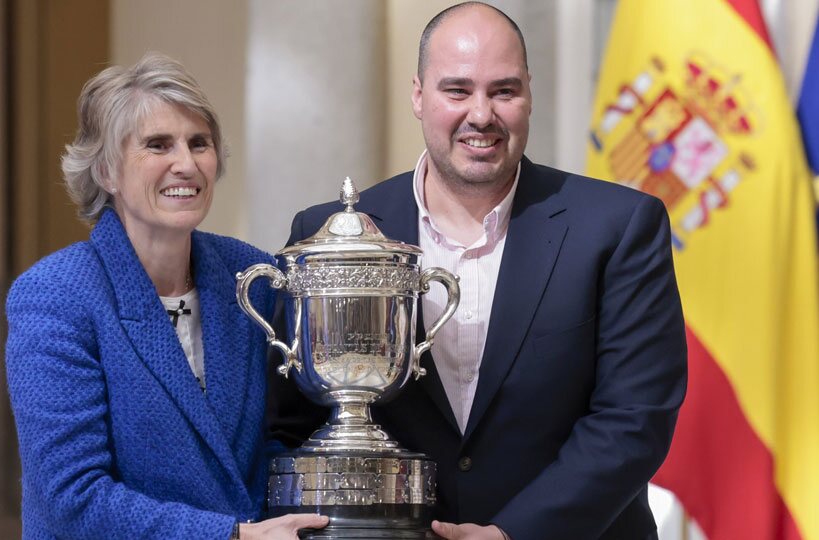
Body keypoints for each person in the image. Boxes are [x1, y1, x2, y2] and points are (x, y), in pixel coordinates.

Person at [267, 3, 688, 539]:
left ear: (529, 94)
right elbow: (291, 422)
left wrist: (513, 534)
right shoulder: (328, 232)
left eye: (504, 91)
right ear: (418, 95)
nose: (482, 114)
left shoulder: (620, 227)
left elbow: (634, 420)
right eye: (458, 90)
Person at [5, 53, 328, 539]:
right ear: (106, 172)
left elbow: (282, 438)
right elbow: (72, 498)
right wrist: (230, 536)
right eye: (158, 145)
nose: (186, 164)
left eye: (200, 143)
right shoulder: (56, 294)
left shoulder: (255, 276)